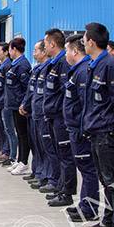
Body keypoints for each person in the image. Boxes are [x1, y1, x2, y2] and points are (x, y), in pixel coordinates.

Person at [81, 22, 114, 227]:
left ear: (91, 42)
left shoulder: (110, 64)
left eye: (84, 39)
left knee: (112, 180)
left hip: (107, 132)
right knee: (104, 179)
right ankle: (108, 220)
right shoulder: (95, 64)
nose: (83, 43)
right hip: (96, 130)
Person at [62, 35, 99, 223]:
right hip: (75, 127)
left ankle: (89, 209)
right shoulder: (77, 70)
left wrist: (82, 128)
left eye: (67, 50)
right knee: (84, 168)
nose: (65, 54)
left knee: (88, 169)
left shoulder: (83, 71)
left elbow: (85, 104)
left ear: (75, 51)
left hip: (80, 129)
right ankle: (85, 204)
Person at [39, 29, 75, 205]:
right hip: (53, 116)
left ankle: (66, 193)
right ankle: (61, 188)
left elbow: (64, 93)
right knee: (59, 155)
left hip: (60, 117)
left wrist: (58, 111)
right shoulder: (54, 63)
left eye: (45, 44)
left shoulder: (62, 63)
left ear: (52, 44)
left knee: (65, 156)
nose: (44, 47)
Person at [17, 40, 46, 177]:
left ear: (44, 51)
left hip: (41, 112)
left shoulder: (48, 68)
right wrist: (25, 104)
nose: (33, 53)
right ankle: (38, 172)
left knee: (45, 147)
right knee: (35, 143)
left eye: (36, 50)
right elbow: (30, 90)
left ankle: (46, 176)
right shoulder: (36, 68)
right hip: (33, 110)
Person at [5, 37, 32, 173]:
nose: (9, 52)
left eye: (10, 49)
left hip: (20, 106)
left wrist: (24, 104)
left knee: (23, 134)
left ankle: (24, 161)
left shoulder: (22, 65)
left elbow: (26, 87)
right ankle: (20, 160)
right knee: (20, 133)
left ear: (14, 49)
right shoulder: (16, 64)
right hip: (15, 105)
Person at [0, 43, 14, 166]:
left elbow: (7, 88)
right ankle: (4, 150)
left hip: (5, 102)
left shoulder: (7, 66)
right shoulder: (2, 65)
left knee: (8, 130)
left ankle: (8, 153)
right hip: (1, 101)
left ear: (6, 52)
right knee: (1, 128)